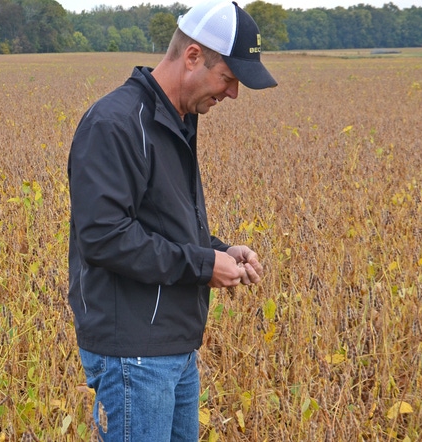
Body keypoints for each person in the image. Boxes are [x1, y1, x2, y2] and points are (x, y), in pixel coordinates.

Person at [66, 0, 277, 440]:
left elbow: (161, 223)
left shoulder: (176, 119)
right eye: (229, 79)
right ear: (193, 56)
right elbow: (104, 238)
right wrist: (203, 266)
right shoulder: (115, 123)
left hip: (173, 347)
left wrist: (219, 252)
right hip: (133, 354)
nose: (233, 93)